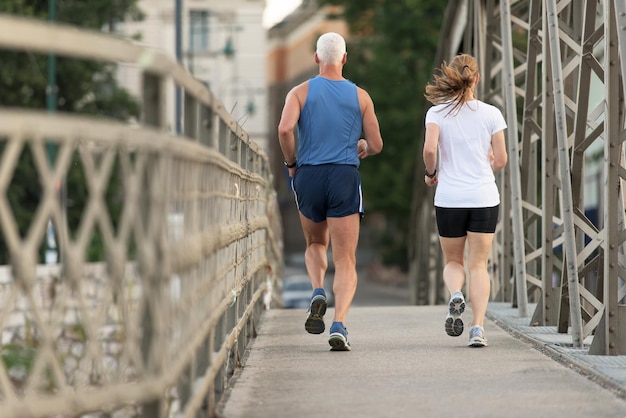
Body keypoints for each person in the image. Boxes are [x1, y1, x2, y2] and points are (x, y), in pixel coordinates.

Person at [278, 32, 383, 351]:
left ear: (315, 58)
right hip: (343, 177)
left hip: (308, 176)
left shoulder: (299, 92)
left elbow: (284, 129)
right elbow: (376, 145)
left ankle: (316, 289)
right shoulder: (361, 96)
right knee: (346, 259)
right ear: (345, 59)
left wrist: (291, 163)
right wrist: (363, 144)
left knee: (314, 243)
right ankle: (339, 324)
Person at [422, 53, 508, 347]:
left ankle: (456, 294)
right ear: (477, 78)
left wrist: (431, 173)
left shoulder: (436, 113)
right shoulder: (491, 113)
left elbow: (430, 150)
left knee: (454, 260)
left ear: (451, 76)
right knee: (478, 265)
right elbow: (502, 159)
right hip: (483, 196)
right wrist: (490, 160)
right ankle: (478, 329)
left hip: (450, 198)